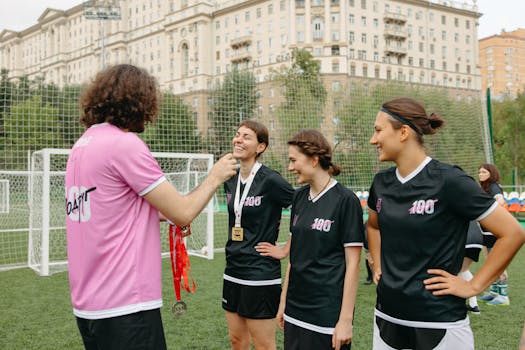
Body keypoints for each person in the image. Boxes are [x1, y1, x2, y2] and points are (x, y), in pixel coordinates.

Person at [65, 64, 237, 350]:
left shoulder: (82, 145)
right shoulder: (124, 145)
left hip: (89, 306)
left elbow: (114, 207)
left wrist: (163, 217)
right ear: (138, 101)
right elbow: (182, 211)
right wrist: (215, 176)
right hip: (126, 305)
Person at [366, 97, 525, 350]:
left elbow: (513, 233)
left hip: (439, 323)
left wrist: (474, 285)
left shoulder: (450, 180)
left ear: (404, 132)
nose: (373, 140)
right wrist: (377, 264)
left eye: (378, 130)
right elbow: (373, 226)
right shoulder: (381, 183)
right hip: (387, 317)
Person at [278, 129, 364, 350]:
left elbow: (353, 264)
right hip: (295, 309)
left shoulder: (346, 200)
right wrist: (283, 303)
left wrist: (345, 320)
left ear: (314, 160)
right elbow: (294, 258)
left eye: (293, 160)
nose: (290, 167)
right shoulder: (298, 197)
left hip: (327, 313)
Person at [222, 120, 295, 350]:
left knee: (263, 345)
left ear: (260, 147)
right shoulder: (230, 178)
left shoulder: (270, 180)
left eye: (246, 137)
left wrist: (285, 249)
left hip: (260, 272)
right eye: (237, 134)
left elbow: (305, 208)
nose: (238, 139)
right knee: (237, 341)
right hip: (233, 269)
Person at [477, 163, 510, 306]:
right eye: (479, 172)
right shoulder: (485, 188)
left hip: (494, 231)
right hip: (486, 231)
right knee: (490, 263)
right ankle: (494, 292)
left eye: (484, 172)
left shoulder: (494, 186)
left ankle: (503, 296)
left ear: (491, 173)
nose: (480, 174)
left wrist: (491, 215)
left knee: (498, 264)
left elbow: (501, 201)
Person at [459, 221, 484, 314]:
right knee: (463, 270)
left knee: (455, 271)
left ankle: (457, 303)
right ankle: (473, 304)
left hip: (465, 238)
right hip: (477, 239)